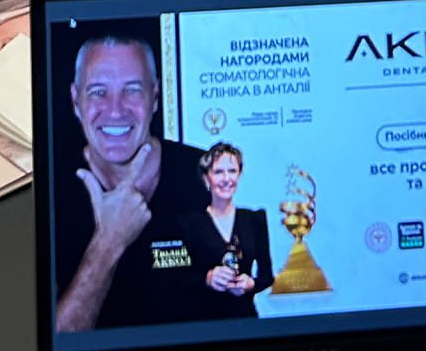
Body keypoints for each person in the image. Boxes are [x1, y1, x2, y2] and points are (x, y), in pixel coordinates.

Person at [53, 34, 207, 331]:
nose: (115, 110)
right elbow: (59, 339)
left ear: (155, 98)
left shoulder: (210, 176)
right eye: (98, 92)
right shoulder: (52, 190)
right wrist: (109, 241)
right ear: (75, 101)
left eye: (133, 90)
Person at [180, 142, 275, 317]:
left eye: (232, 171)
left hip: (245, 320)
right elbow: (178, 278)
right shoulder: (188, 224)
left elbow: (267, 277)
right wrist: (207, 278)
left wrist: (251, 284)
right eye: (218, 172)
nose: (226, 179)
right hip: (203, 320)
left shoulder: (255, 219)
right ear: (206, 178)